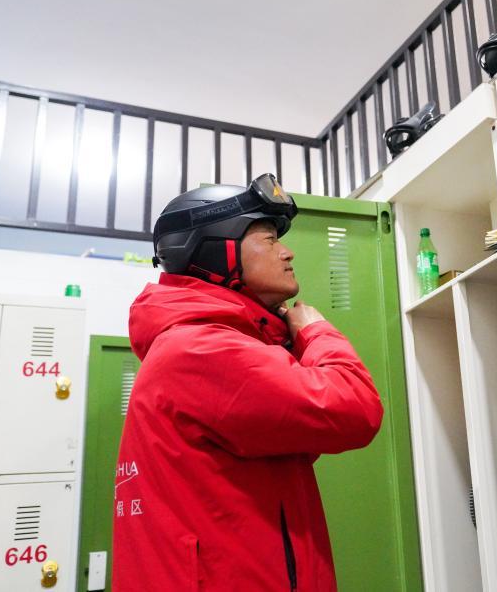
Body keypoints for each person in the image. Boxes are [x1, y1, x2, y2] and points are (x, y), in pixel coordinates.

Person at [112, 173, 383, 591]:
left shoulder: (208, 342)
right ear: (216, 250)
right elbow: (355, 408)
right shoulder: (201, 349)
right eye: (270, 239)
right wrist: (316, 332)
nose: (287, 252)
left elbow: (300, 440)